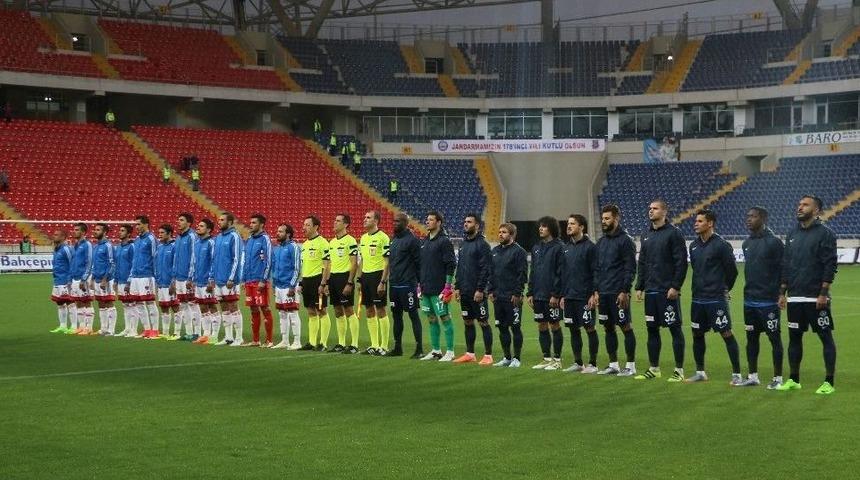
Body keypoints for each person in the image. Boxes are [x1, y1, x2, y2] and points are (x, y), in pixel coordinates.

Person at [776, 195, 838, 395]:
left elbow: (830, 264)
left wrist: (823, 293)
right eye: (799, 203)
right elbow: (786, 264)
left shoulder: (825, 233)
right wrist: (782, 292)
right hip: (795, 297)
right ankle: (794, 379)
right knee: (794, 338)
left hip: (815, 297)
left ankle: (829, 381)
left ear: (817, 210)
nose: (800, 207)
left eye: (805, 205)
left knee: (825, 337)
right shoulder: (792, 233)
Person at [633, 200, 688, 382]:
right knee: (652, 330)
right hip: (651, 291)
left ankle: (679, 370)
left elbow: (681, 262)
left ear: (664, 212)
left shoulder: (674, 233)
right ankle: (654, 368)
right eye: (649, 208)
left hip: (667, 291)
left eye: (655, 208)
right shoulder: (646, 234)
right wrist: (639, 286)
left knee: (674, 329)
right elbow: (642, 262)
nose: (651, 211)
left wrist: (676, 286)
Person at [686, 209, 741, 385]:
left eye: (700, 221)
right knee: (697, 334)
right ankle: (700, 372)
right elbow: (696, 268)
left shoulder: (722, 245)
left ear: (710, 223)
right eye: (696, 221)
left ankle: (737, 374)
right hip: (697, 298)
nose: (696, 223)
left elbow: (732, 271)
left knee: (726, 333)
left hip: (716, 298)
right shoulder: (693, 246)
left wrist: (725, 288)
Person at [738, 207, 785, 388]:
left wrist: (782, 293)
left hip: (768, 301)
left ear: (763, 218)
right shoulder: (746, 243)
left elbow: (784, 269)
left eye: (753, 216)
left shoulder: (774, 243)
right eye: (748, 216)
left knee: (774, 339)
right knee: (751, 339)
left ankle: (778, 379)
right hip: (749, 300)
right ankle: (753, 376)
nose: (748, 219)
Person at [593, 204, 638, 376]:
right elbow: (597, 269)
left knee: (625, 327)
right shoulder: (601, 242)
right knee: (608, 328)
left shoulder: (626, 241)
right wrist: (596, 290)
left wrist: (624, 290)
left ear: (616, 219)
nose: (604, 221)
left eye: (607, 218)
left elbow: (630, 268)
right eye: (603, 218)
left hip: (618, 292)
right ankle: (613, 365)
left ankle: (631, 366)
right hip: (603, 293)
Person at [560, 214, 599, 374]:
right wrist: (562, 295)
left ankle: (593, 364)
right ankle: (578, 363)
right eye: (568, 223)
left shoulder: (590, 247)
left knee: (589, 328)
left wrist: (593, 293)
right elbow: (563, 273)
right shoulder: (565, 248)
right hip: (569, 296)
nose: (569, 226)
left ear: (582, 227)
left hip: (584, 296)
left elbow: (596, 271)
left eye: (573, 224)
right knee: (573, 329)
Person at [453, 213, 494, 365]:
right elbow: (460, 267)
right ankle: (470, 353)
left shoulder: (482, 245)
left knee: (483, 322)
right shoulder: (463, 244)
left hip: (477, 292)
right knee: (468, 321)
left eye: (469, 222)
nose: (465, 224)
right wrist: (457, 287)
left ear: (477, 225)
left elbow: (486, 269)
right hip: (464, 291)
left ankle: (488, 355)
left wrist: (480, 289)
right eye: (465, 221)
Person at [487, 223, 528, 367]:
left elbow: (522, 274)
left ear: (512, 235)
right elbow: (491, 273)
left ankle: (517, 358)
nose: (500, 234)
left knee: (515, 327)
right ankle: (507, 357)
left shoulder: (519, 252)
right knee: (502, 327)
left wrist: (517, 293)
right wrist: (490, 290)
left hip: (512, 297)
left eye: (504, 232)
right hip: (498, 296)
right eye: (499, 232)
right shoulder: (495, 251)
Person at [418, 211, 456, 362]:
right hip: (426, 288)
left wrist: (447, 286)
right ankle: (435, 350)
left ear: (439, 222)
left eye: (431, 220)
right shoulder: (424, 241)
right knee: (431, 319)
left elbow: (451, 264)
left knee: (445, 317)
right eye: (427, 219)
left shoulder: (444, 241)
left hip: (439, 289)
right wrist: (419, 285)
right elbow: (421, 265)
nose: (427, 222)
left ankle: (451, 352)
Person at [527, 216, 565, 370]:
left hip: (552, 295)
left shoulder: (559, 247)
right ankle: (546, 357)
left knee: (554, 324)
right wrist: (530, 292)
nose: (540, 228)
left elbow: (560, 272)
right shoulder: (536, 248)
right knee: (541, 325)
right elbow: (533, 271)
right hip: (538, 294)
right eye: (539, 226)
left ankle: (557, 359)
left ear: (551, 228)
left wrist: (556, 294)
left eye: (544, 226)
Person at [386, 212, 422, 357]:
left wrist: (419, 284)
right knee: (396, 316)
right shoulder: (393, 239)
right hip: (394, 284)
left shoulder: (412, 240)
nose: (395, 223)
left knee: (413, 315)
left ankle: (419, 349)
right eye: (394, 221)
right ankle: (398, 347)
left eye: (398, 221)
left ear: (406, 223)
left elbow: (419, 263)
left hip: (408, 285)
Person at [356, 210, 390, 355]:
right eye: (364, 217)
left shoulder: (383, 237)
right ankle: (374, 345)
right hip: (366, 277)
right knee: (369, 310)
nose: (364, 219)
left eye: (368, 217)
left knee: (380, 309)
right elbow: (362, 260)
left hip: (378, 276)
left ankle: (384, 345)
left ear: (376, 221)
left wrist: (383, 281)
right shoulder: (363, 238)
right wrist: (359, 279)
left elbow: (388, 261)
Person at [327, 214, 359, 353]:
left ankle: (354, 344)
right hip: (333, 278)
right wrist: (327, 283)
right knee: (337, 310)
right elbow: (329, 264)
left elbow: (354, 263)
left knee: (348, 310)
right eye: (335, 220)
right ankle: (341, 343)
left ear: (346, 224)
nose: (334, 222)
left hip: (344, 278)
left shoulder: (350, 241)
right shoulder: (332, 242)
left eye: (338, 221)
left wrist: (350, 282)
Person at [299, 215, 331, 351]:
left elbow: (327, 265)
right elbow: (304, 265)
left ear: (316, 227)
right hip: (306, 281)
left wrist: (323, 284)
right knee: (311, 311)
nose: (304, 227)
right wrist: (301, 282)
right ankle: (312, 342)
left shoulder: (323, 243)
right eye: (304, 224)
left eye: (307, 225)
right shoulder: (304, 245)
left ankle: (322, 343)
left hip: (318, 281)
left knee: (322, 310)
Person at [211, 213, 243, 346]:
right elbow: (214, 259)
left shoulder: (234, 236)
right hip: (218, 279)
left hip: (230, 280)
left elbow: (237, 258)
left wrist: (232, 278)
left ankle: (239, 337)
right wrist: (212, 277)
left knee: (233, 307)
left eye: (222, 220)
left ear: (230, 222)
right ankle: (228, 337)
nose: (219, 222)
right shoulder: (218, 237)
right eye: (219, 219)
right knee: (224, 308)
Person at [243, 213, 274, 347]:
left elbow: (269, 261)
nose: (251, 225)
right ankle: (255, 340)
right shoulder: (249, 239)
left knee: (265, 308)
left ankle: (269, 340)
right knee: (253, 310)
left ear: (261, 225)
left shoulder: (265, 239)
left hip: (259, 280)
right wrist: (244, 279)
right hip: (249, 281)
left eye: (254, 222)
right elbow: (246, 261)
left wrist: (263, 279)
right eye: (251, 222)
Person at [271, 223, 302, 349]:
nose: (278, 233)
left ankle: (297, 341)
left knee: (292, 313)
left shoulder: (293, 247)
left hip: (289, 285)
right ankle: (284, 340)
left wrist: (292, 285)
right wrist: (274, 284)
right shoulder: (277, 248)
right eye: (278, 231)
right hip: (278, 285)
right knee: (282, 313)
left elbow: (296, 268)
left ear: (288, 234)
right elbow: (275, 267)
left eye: (281, 231)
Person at [129, 215, 159, 338]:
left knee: (150, 302)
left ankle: (155, 330)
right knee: (138, 303)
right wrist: (131, 277)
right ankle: (146, 330)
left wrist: (155, 276)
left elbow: (155, 257)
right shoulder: (137, 240)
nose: (137, 227)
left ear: (146, 224)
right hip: (136, 276)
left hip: (147, 275)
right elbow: (134, 259)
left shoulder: (151, 238)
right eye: (136, 224)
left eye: (139, 224)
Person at [172, 213, 199, 341]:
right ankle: (189, 333)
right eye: (178, 219)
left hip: (188, 277)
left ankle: (197, 333)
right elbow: (176, 258)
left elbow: (194, 257)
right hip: (179, 277)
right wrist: (174, 277)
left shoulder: (192, 236)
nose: (178, 222)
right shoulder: (178, 238)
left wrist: (191, 277)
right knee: (183, 305)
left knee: (193, 304)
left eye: (181, 220)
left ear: (189, 223)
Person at [192, 219, 219, 345]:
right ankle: (206, 334)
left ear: (208, 229)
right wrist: (192, 278)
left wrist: (211, 280)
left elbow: (214, 262)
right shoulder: (197, 243)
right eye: (198, 225)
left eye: (201, 226)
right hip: (198, 281)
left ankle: (214, 335)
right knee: (202, 307)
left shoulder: (211, 243)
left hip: (207, 281)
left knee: (212, 307)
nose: (198, 227)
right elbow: (194, 263)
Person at [91, 223, 117, 336]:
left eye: (98, 230)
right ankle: (103, 328)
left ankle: (111, 330)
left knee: (109, 303)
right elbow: (94, 264)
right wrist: (92, 279)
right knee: (101, 304)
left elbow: (112, 263)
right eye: (95, 229)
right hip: (96, 279)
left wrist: (105, 279)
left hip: (106, 280)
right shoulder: (96, 246)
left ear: (105, 232)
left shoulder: (108, 245)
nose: (95, 231)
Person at [69, 222, 94, 335]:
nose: (74, 231)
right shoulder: (75, 245)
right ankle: (81, 326)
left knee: (87, 302)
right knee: (78, 302)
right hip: (75, 277)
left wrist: (84, 278)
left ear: (83, 232)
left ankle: (89, 327)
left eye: (77, 230)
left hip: (83, 278)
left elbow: (89, 262)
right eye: (74, 229)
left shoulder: (87, 244)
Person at [155, 224, 179, 340]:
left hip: (170, 282)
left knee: (175, 307)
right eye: (159, 233)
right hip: (161, 282)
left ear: (169, 233)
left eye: (162, 233)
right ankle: (165, 332)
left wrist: (173, 282)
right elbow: (156, 265)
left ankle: (177, 332)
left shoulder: (174, 246)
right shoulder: (159, 247)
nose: (159, 235)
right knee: (164, 308)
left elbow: (176, 265)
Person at [49, 230, 74, 334]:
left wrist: (70, 280)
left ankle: (73, 326)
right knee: (59, 303)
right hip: (57, 280)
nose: (54, 236)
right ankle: (63, 326)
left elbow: (72, 264)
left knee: (70, 303)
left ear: (63, 237)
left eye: (56, 234)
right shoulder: (56, 249)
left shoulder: (66, 249)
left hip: (65, 280)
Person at [114, 224, 137, 337]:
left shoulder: (132, 246)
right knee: (125, 305)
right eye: (120, 230)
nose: (120, 232)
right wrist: (116, 280)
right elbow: (116, 264)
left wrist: (130, 280)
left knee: (132, 305)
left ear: (128, 234)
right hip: (120, 280)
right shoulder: (118, 247)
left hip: (129, 281)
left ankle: (134, 330)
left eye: (122, 231)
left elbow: (134, 264)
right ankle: (127, 328)